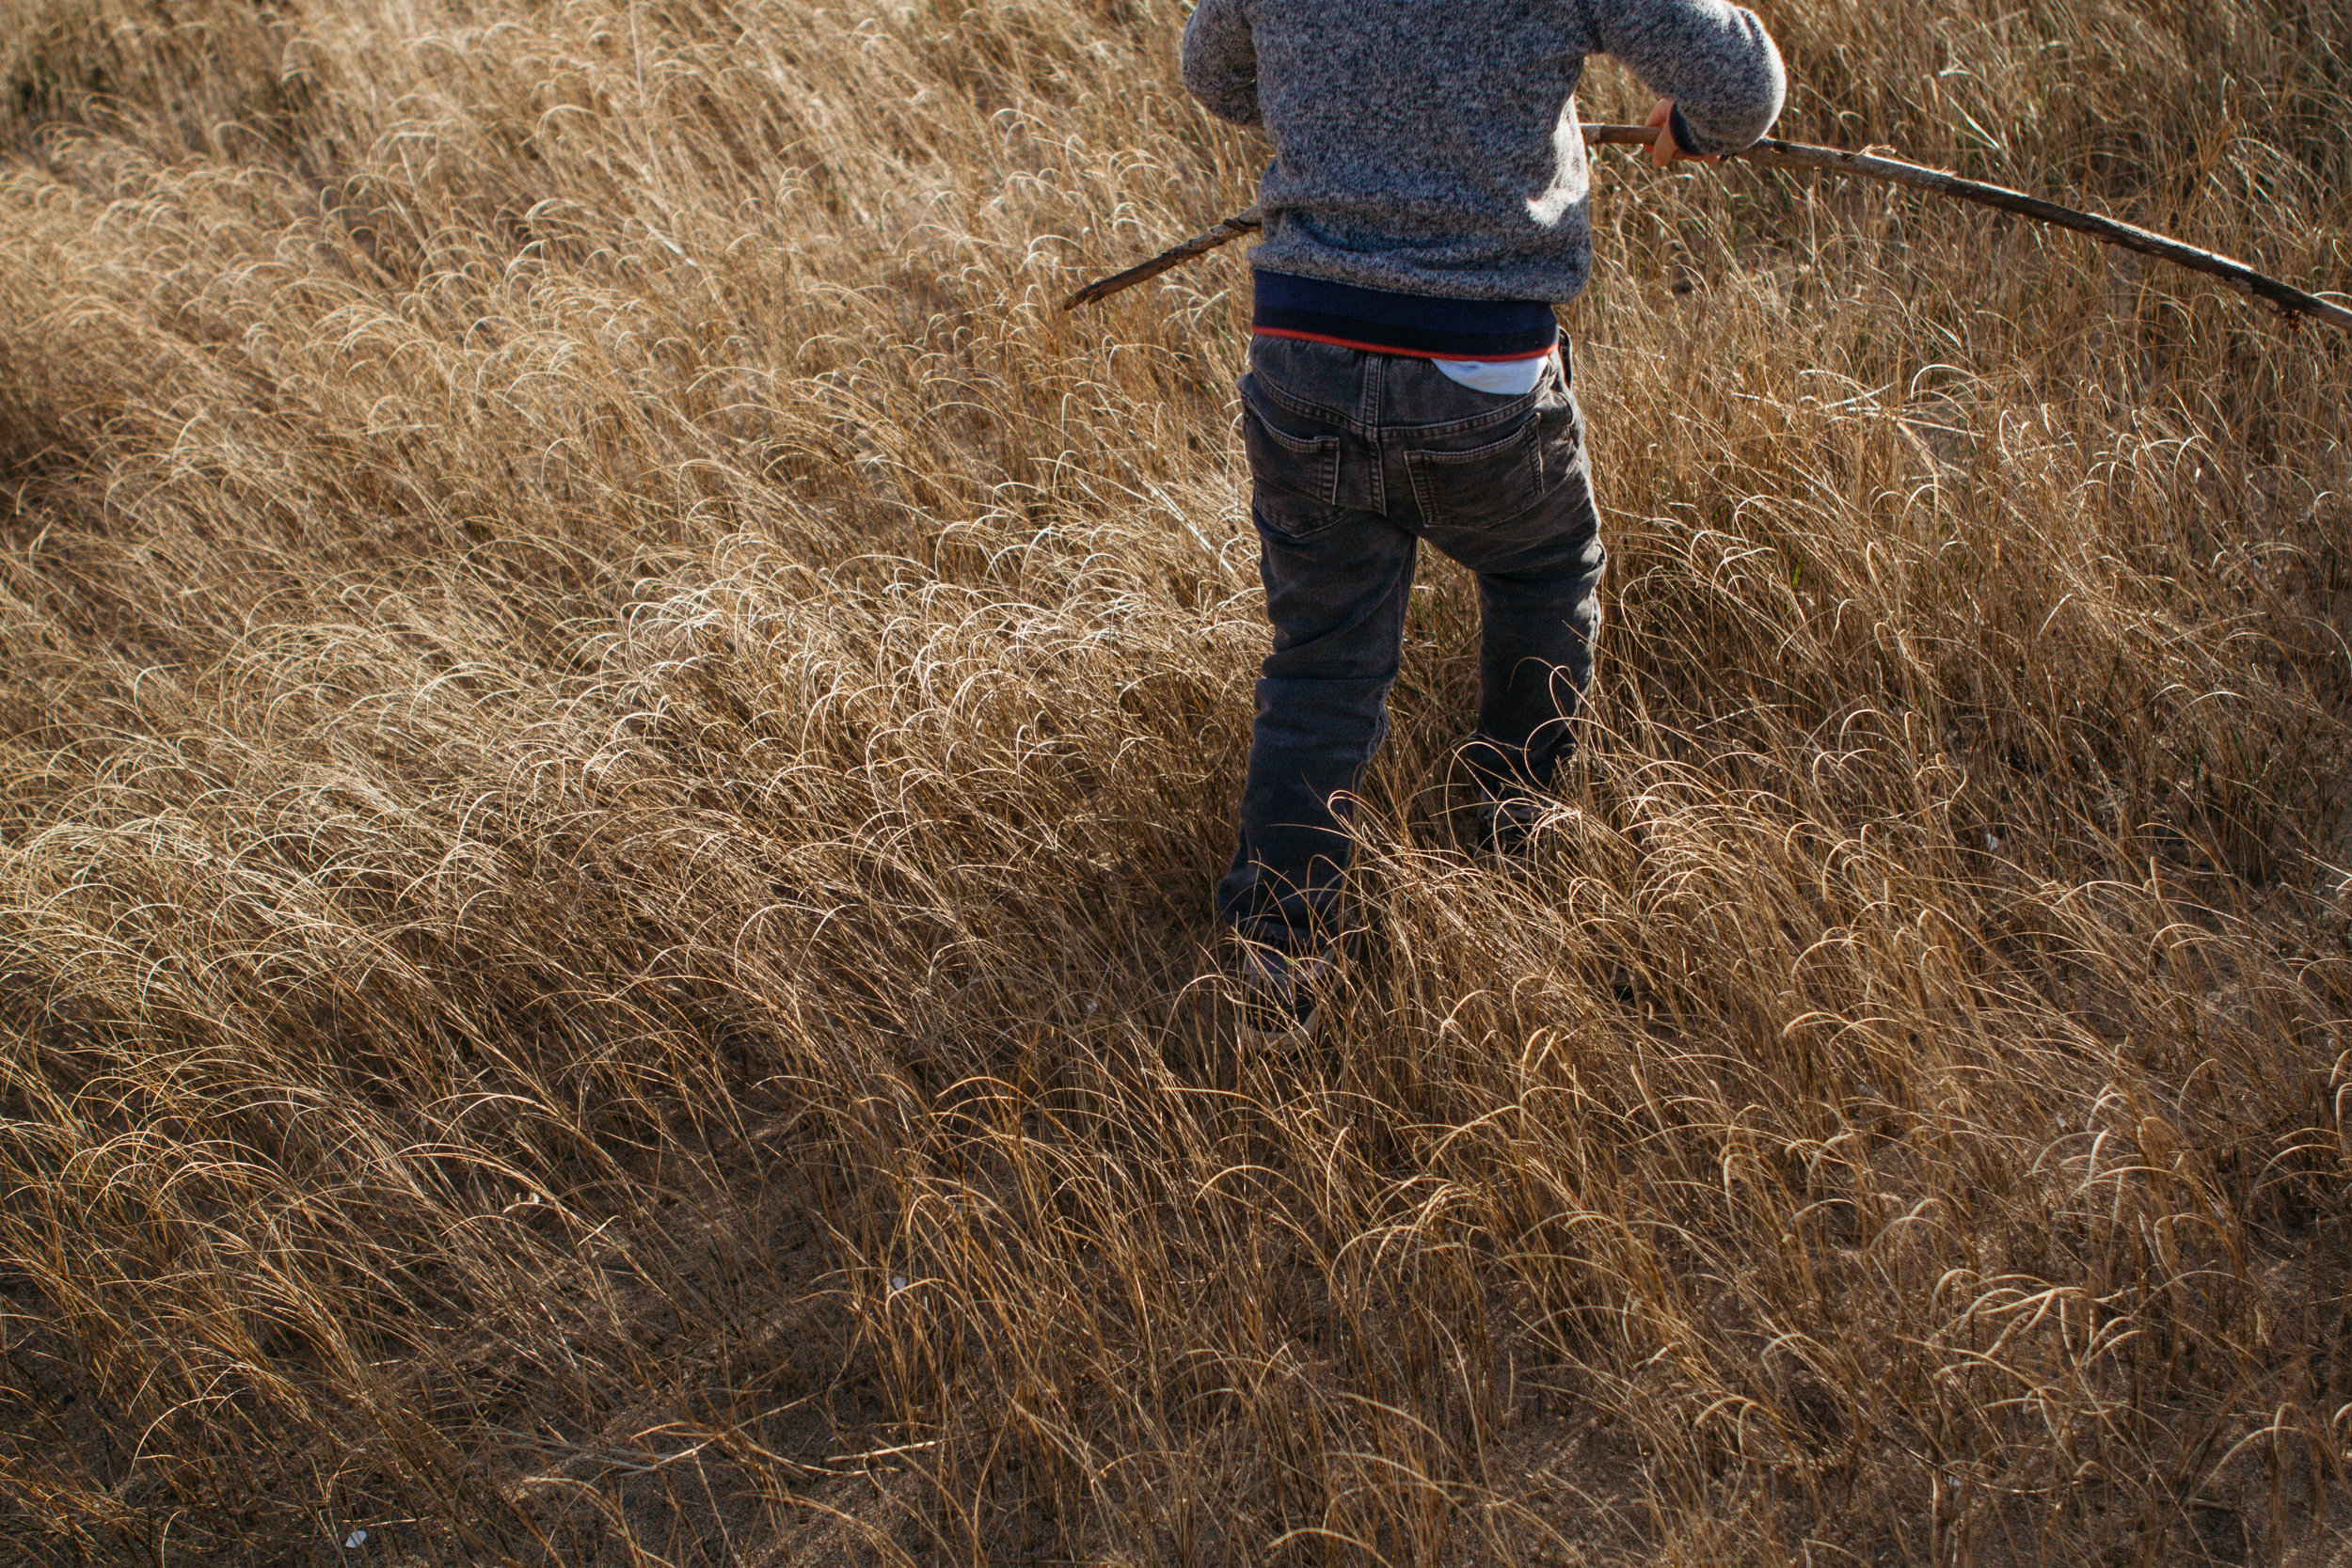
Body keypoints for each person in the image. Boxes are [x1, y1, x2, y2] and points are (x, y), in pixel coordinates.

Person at [1182, 0, 1786, 1036]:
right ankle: (1514, 825)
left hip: (1302, 351)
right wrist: (1694, 126)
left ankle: (1276, 964)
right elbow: (1741, 89)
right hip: (1480, 372)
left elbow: (1216, 75)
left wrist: (1345, 121)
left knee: (1322, 664)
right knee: (1544, 570)